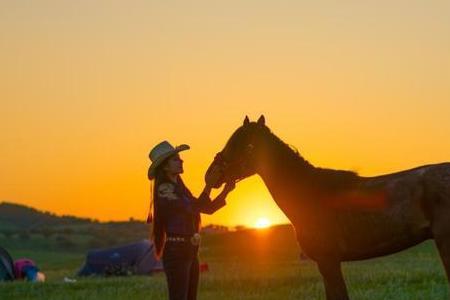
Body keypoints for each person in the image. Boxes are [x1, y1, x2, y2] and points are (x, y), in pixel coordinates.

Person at [147, 140, 234, 300]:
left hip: (189, 250)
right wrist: (208, 186)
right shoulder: (164, 190)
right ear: (165, 166)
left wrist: (225, 191)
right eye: (175, 159)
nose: (181, 161)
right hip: (177, 251)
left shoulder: (180, 189)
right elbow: (193, 208)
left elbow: (206, 208)